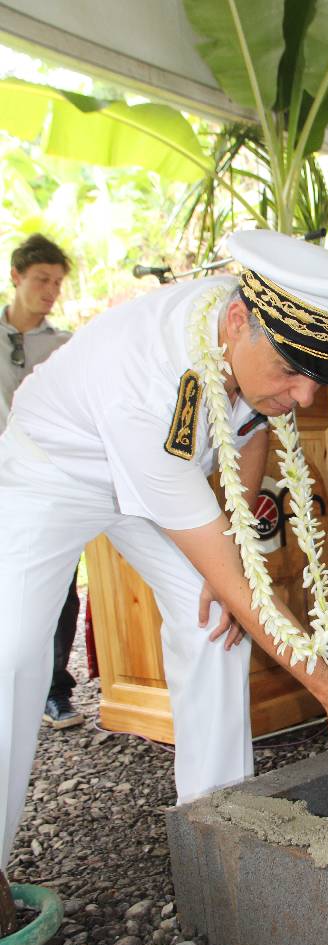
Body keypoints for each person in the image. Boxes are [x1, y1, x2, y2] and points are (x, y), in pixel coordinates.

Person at [0, 229, 328, 871]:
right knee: (11, 648)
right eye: (296, 372)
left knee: (210, 618)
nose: (305, 396)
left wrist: (236, 541)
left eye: (318, 377)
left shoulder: (255, 326)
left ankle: (218, 821)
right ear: (237, 322)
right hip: (57, 469)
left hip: (167, 469)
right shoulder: (143, 378)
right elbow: (247, 589)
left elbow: (250, 430)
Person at [0, 233, 83, 729]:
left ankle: (54, 688)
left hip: (48, 485)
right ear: (16, 277)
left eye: (57, 282)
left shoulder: (64, 345)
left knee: (60, 587)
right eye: (41, 280)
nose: (50, 290)